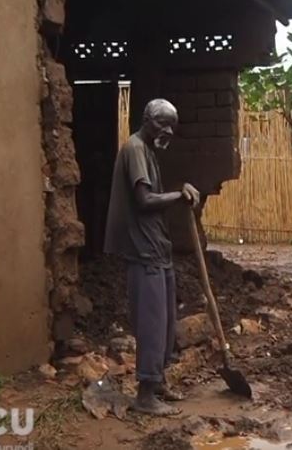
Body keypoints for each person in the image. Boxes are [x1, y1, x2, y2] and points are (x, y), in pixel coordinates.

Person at [104, 99, 200, 415]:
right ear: (147, 120)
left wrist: (177, 190)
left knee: (166, 323)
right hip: (143, 251)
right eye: (163, 123)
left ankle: (158, 383)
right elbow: (144, 200)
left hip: (158, 249)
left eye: (172, 125)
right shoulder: (134, 149)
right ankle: (145, 396)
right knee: (151, 323)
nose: (168, 130)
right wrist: (179, 194)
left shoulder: (149, 152)